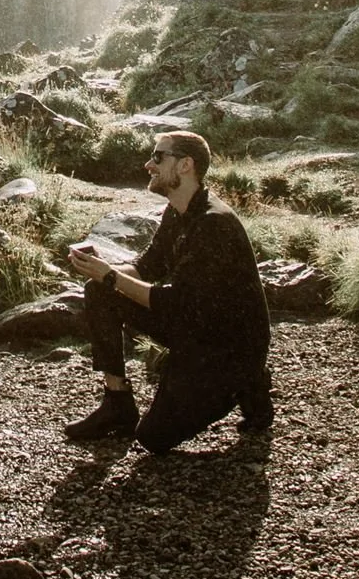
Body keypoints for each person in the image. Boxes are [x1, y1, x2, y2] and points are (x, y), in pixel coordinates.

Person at [63, 130, 273, 451]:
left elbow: (175, 303)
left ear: (186, 165)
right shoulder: (178, 209)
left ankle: (247, 383)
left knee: (152, 438)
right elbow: (148, 266)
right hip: (194, 326)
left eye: (158, 157)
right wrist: (102, 271)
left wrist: (111, 277)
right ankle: (117, 403)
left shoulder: (213, 223)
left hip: (226, 348)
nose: (149, 164)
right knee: (100, 291)